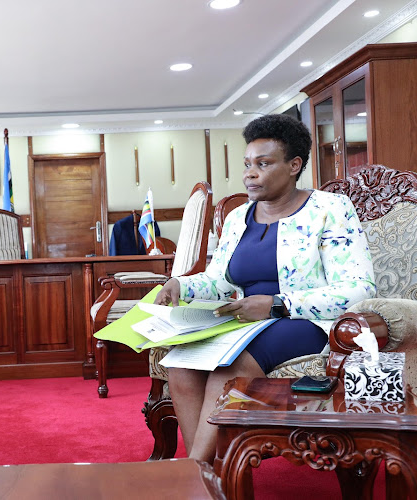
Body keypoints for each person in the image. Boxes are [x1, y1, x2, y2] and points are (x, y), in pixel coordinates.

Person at [154, 114, 376, 462]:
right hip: (244, 322)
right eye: (247, 164)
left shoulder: (329, 210)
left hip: (305, 324)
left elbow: (359, 289)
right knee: (182, 362)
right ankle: (208, 470)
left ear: (293, 165)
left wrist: (277, 303)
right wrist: (179, 284)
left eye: (263, 163)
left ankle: (194, 471)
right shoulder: (236, 217)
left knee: (229, 365)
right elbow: (219, 280)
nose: (250, 173)